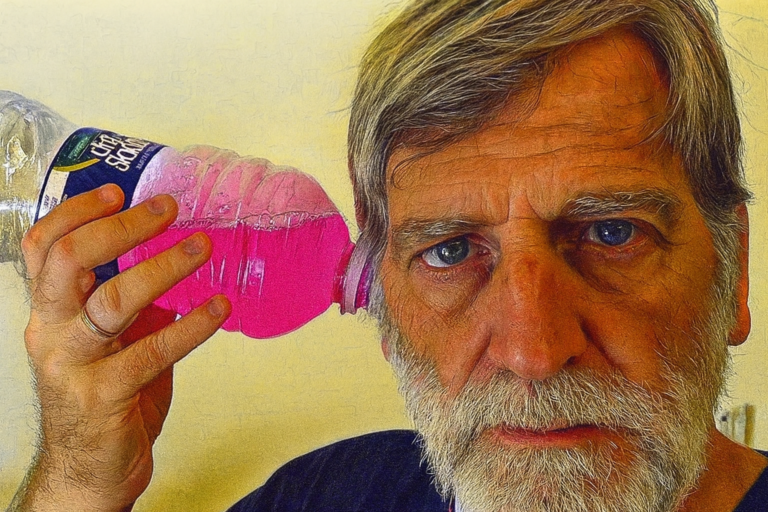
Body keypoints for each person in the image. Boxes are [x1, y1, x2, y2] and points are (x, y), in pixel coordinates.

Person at [8, 0, 768, 511]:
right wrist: (79, 481)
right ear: (383, 302)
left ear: (732, 273)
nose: (533, 352)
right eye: (450, 250)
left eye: (612, 234)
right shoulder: (323, 498)